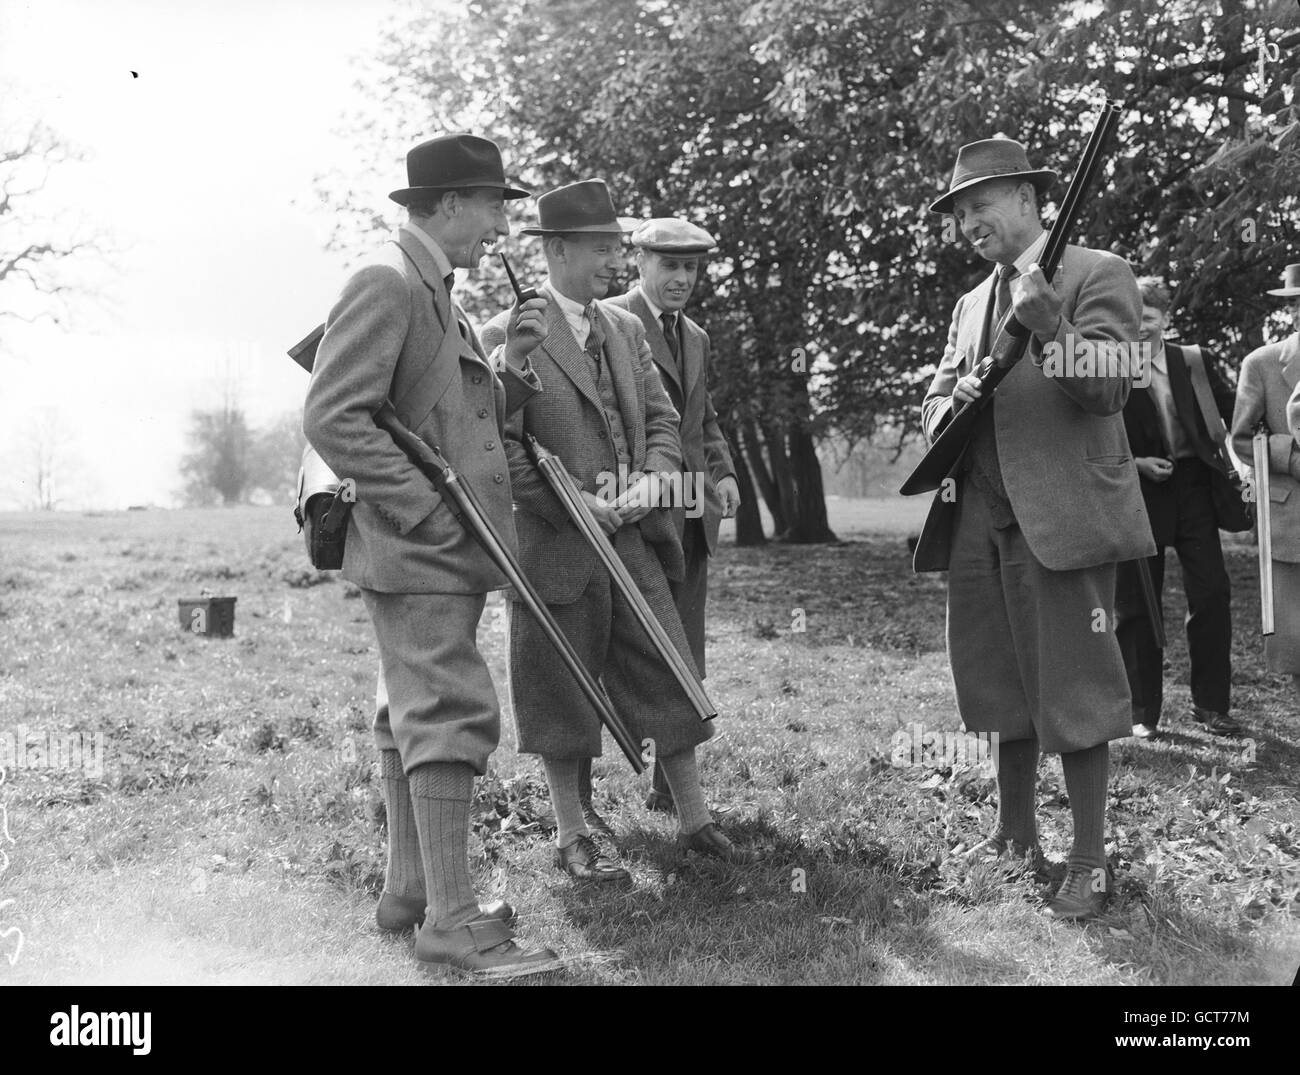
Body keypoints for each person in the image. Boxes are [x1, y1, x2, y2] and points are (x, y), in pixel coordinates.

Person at [303, 133, 562, 979]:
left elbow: (441, 405)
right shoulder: (386, 279)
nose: (497, 228)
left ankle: (410, 891)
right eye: (493, 207)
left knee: (407, 708)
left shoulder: (428, 284)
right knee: (448, 709)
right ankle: (450, 923)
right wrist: (423, 510)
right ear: (449, 204)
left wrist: (510, 365)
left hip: (437, 544)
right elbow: (336, 416)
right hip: (423, 545)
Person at [481, 180, 762, 884]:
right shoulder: (505, 336)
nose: (616, 258)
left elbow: (667, 425)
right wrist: (573, 500)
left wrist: (650, 485)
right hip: (556, 546)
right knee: (558, 686)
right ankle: (572, 832)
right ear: (556, 250)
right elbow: (500, 446)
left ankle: (695, 818)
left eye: (618, 245)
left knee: (663, 669)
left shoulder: (626, 329)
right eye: (604, 246)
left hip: (633, 538)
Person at [914, 137, 1154, 921]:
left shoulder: (1096, 271)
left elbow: (1116, 388)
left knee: (1076, 686)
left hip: (1063, 514)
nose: (967, 223)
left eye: (979, 204)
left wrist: (1053, 330)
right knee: (993, 684)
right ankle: (1016, 838)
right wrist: (944, 406)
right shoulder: (968, 302)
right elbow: (940, 393)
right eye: (958, 213)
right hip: (977, 513)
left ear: (1027, 198)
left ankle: (1089, 859)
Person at [602, 217, 740, 816]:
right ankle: (577, 804)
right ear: (639, 263)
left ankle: (668, 786)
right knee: (628, 650)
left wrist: (725, 472)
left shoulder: (697, 336)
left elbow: (702, 419)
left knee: (687, 651)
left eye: (692, 267)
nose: (683, 277)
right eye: (670, 265)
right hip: (630, 513)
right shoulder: (604, 322)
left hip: (691, 515)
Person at [1113, 277, 1238, 739]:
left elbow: (1237, 413)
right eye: (1133, 320)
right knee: (1137, 603)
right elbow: (1093, 434)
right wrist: (1135, 463)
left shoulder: (1194, 361)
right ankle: (1142, 712)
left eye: (1149, 319)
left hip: (1195, 490)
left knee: (1211, 594)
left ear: (1166, 319)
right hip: (1137, 492)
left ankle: (1212, 706)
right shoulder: (1108, 365)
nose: (1141, 329)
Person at [1231, 263, 1300, 699]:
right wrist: (1291, 457)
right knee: (1296, 639)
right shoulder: (1262, 364)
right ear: (1293, 310)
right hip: (1291, 517)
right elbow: (1241, 438)